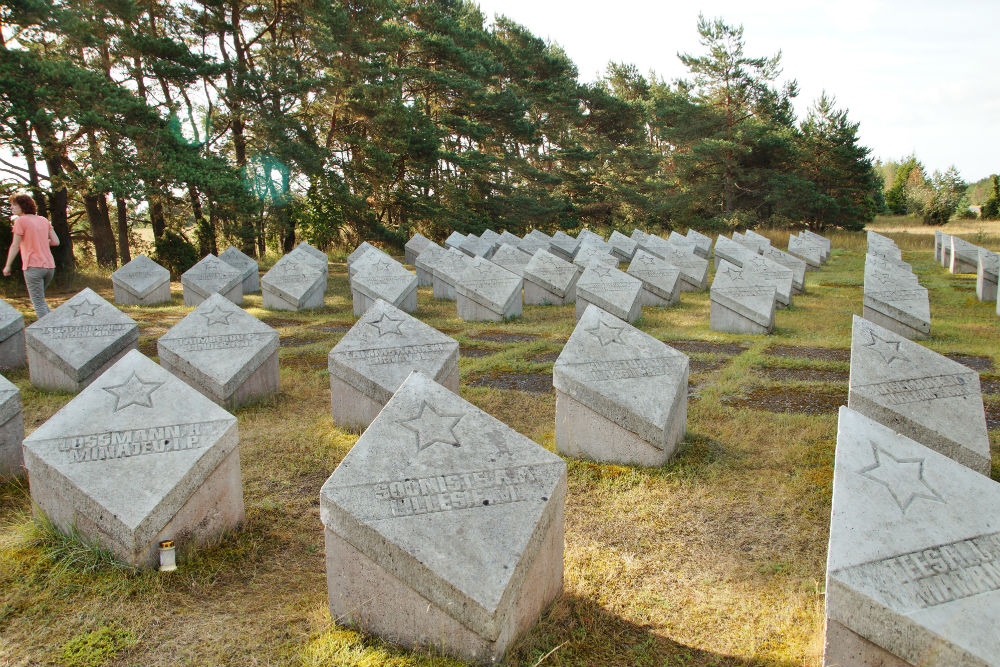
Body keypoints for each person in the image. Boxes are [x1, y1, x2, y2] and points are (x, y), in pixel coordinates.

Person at [3, 193, 59, 317]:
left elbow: (15, 245)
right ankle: (55, 327)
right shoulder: (43, 220)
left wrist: (7, 266)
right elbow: (55, 241)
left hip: (33, 267)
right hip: (49, 267)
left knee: (38, 302)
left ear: (23, 206)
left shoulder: (20, 221)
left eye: (14, 205)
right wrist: (40, 241)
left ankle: (47, 333)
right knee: (40, 299)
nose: (11, 207)